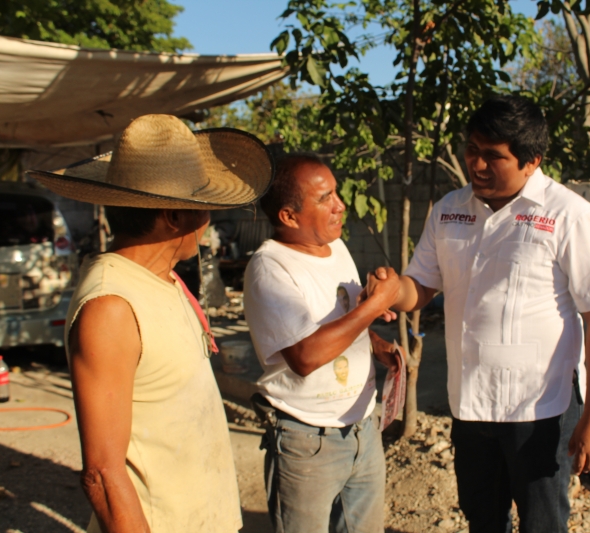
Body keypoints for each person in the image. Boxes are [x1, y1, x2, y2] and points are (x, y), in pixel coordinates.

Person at [366, 94, 590, 533]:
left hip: (541, 410)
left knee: (542, 525)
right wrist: (390, 290)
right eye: (472, 149)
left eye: (494, 156)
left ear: (532, 161)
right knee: (482, 521)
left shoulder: (569, 216)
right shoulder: (450, 210)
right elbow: (421, 287)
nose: (477, 164)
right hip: (470, 405)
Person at [27, 114, 274, 533]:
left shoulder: (163, 279)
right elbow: (103, 475)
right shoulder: (111, 307)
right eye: (202, 207)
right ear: (172, 216)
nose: (208, 220)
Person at [242, 153, 401, 533]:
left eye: (337, 193)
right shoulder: (269, 268)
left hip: (362, 428)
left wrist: (373, 341)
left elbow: (340, 324)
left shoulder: (337, 247)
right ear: (289, 217)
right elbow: (305, 355)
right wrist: (377, 304)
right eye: (325, 198)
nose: (339, 205)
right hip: (307, 440)